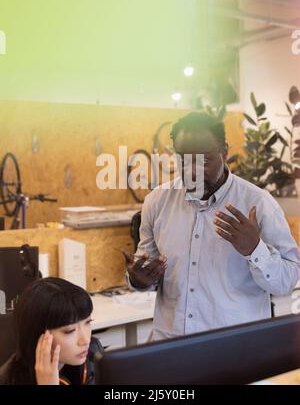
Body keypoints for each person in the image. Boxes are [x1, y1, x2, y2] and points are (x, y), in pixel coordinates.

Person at [123, 112, 300, 341]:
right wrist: (139, 280)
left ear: (224, 152)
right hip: (171, 347)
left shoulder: (257, 203)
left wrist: (255, 250)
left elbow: (287, 281)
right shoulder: (157, 202)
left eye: (204, 160)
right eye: (184, 159)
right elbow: (148, 267)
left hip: (233, 351)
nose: (193, 171)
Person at [0, 277, 103, 385]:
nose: (86, 340)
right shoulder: (10, 380)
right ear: (38, 335)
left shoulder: (93, 352)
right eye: (70, 331)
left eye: (88, 322)